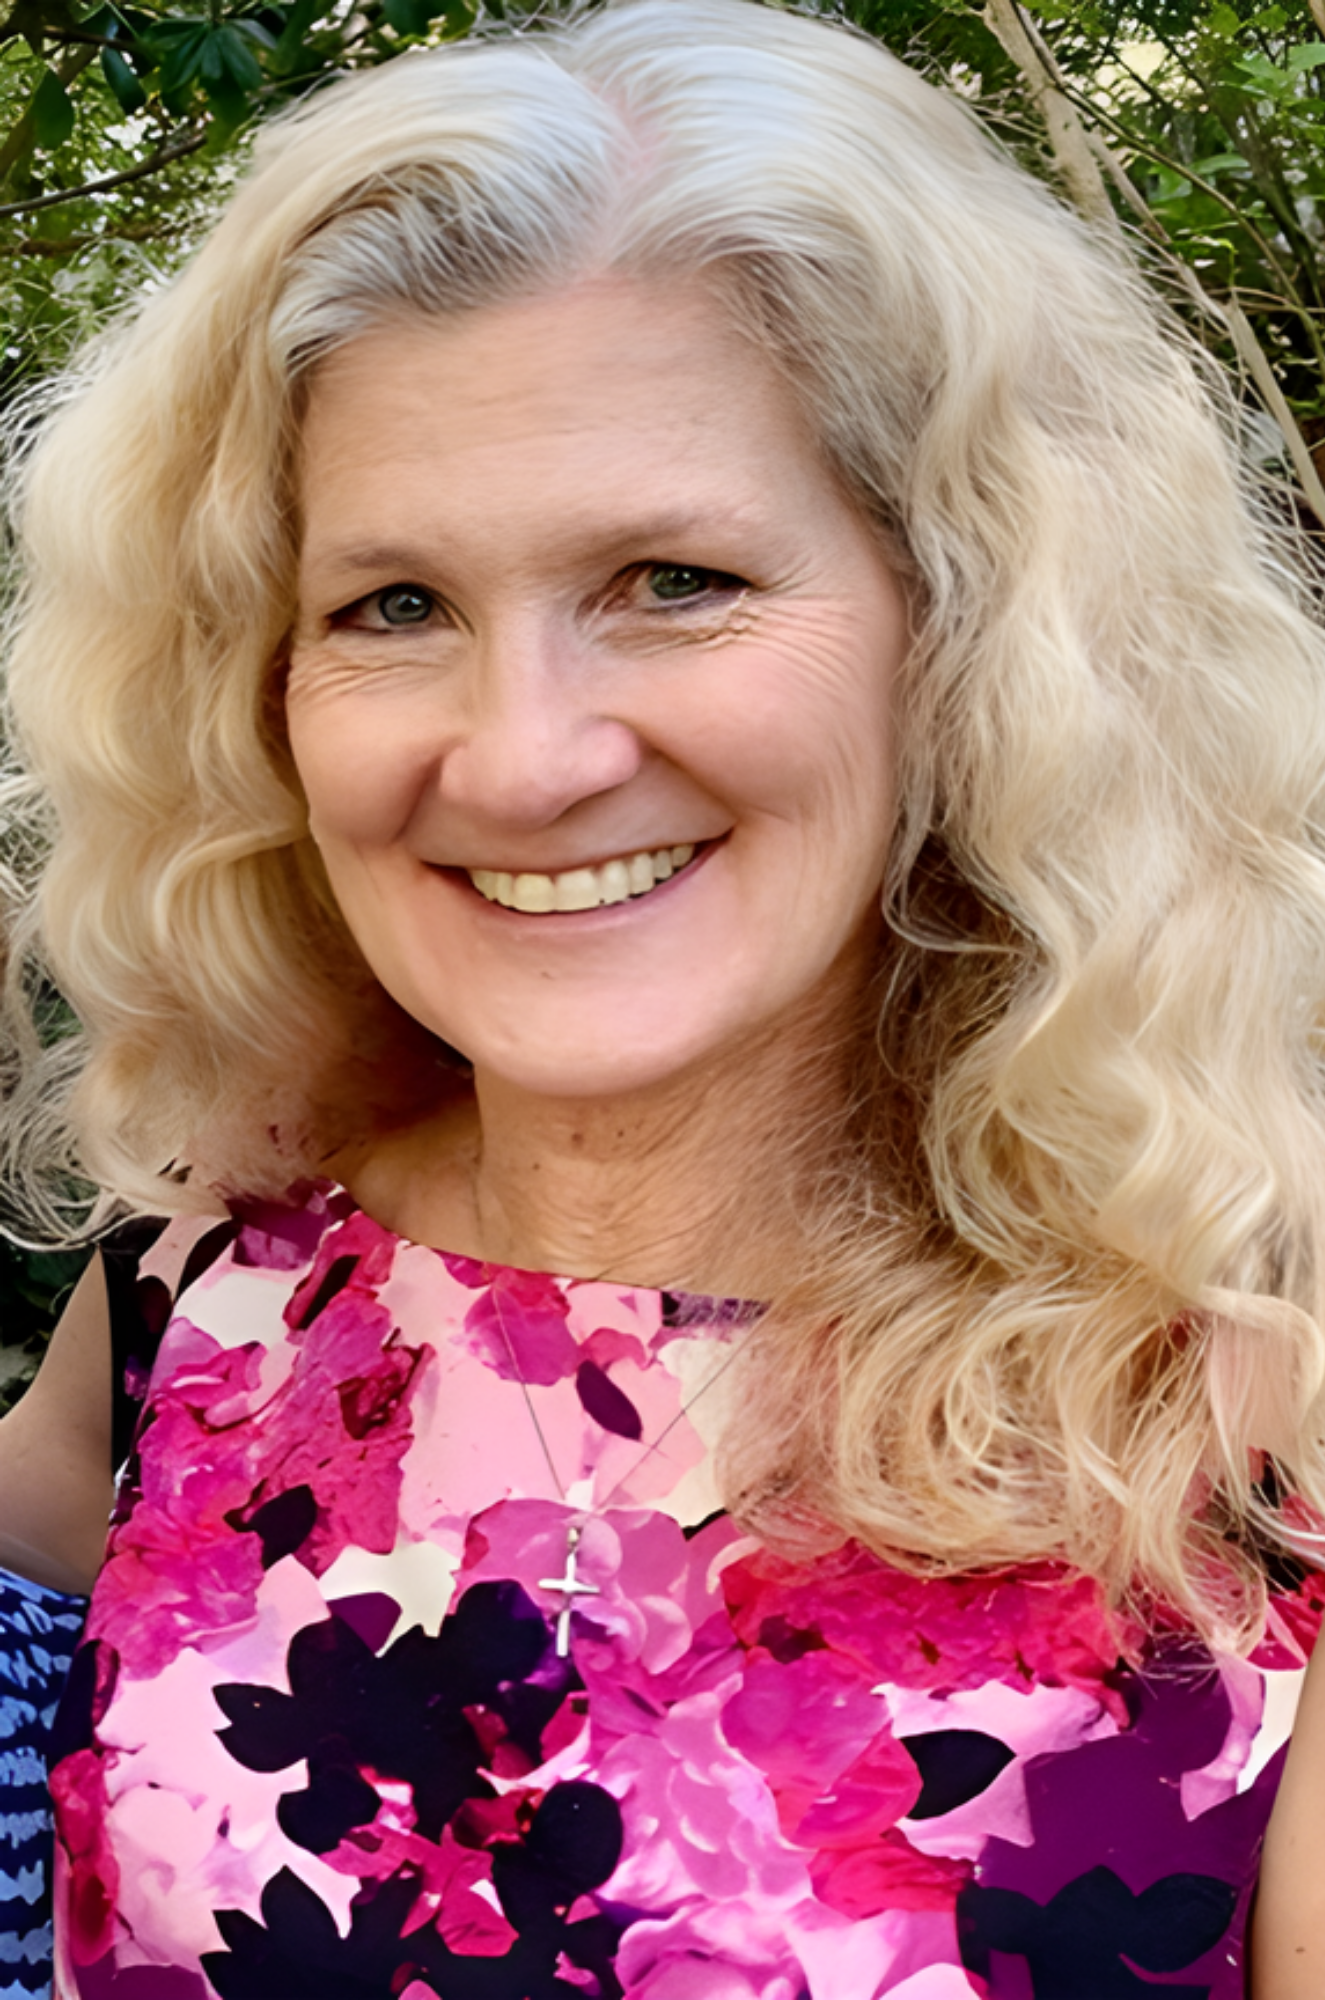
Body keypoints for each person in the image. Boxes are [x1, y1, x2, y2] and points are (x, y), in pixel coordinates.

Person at [1, 0, 1324, 1992]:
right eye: (392, 606)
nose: (523, 756)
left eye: (671, 578)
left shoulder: (1252, 1436)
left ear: (963, 632)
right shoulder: (205, 1285)